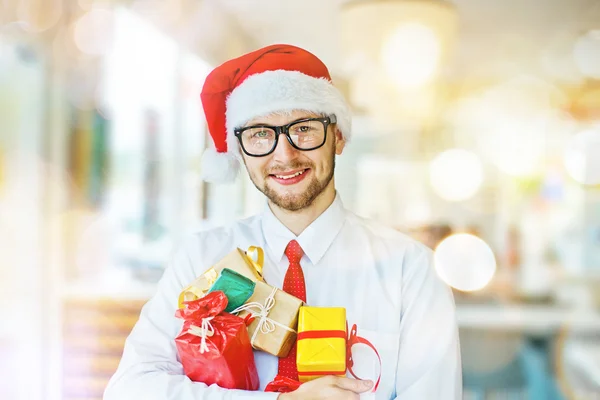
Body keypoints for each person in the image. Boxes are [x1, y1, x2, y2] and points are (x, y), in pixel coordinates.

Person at [104, 44, 462, 400]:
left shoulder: (409, 270)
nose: (284, 155)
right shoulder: (201, 257)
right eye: (260, 134)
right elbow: (130, 389)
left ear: (337, 137)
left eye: (303, 128)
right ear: (240, 149)